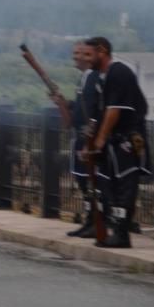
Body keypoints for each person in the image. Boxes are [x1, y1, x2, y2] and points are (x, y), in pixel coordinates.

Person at [83, 37, 150, 249]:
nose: (85, 59)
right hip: (112, 142)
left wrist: (100, 140)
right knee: (107, 184)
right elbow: (97, 115)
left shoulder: (118, 72)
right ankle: (113, 229)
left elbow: (114, 111)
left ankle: (122, 234)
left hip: (127, 140)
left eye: (88, 54)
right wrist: (90, 142)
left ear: (102, 51)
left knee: (125, 186)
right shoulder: (99, 78)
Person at [49, 41, 102, 238]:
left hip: (87, 138)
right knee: (84, 183)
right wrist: (64, 103)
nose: (76, 56)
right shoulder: (84, 79)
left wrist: (90, 138)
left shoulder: (94, 78)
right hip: (81, 137)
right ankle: (90, 220)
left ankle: (96, 221)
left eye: (80, 53)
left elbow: (94, 111)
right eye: (75, 53)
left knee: (91, 183)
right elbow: (80, 109)